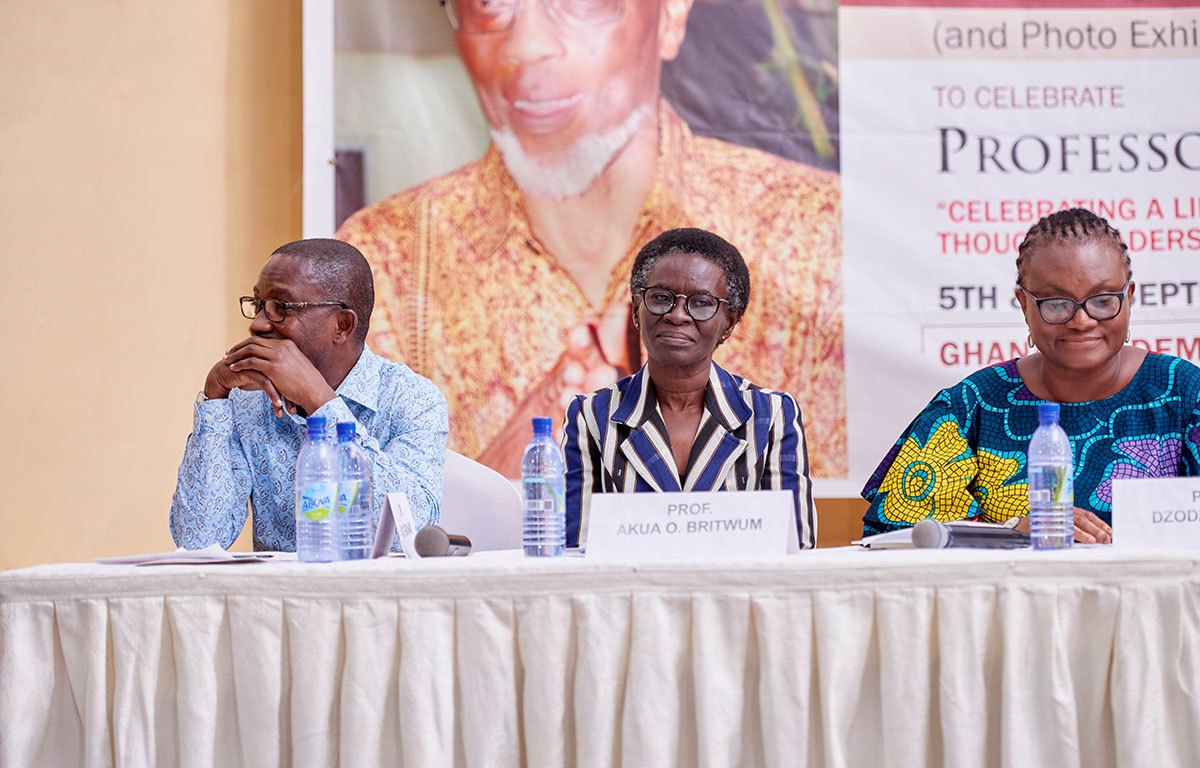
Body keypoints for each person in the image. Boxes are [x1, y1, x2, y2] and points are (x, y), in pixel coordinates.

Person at [336, 0, 843, 480]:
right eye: (490, 1)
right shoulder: (384, 256)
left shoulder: (816, 233)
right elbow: (373, 516)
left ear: (670, 14)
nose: (526, 45)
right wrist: (505, 479)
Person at [861, 208, 1200, 543]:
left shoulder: (1185, 394)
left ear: (1129, 298)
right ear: (1024, 305)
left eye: (1102, 300)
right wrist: (1010, 532)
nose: (1081, 321)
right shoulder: (972, 406)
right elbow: (895, 535)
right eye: (1056, 304)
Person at [170, 239, 449, 551]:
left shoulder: (412, 399)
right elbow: (197, 542)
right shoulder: (248, 400)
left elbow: (407, 532)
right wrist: (215, 397)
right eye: (258, 304)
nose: (257, 324)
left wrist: (319, 401)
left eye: (280, 307)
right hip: (280, 585)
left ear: (342, 325)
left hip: (370, 583)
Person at [563, 228, 816, 549]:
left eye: (701, 303)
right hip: (631, 584)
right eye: (661, 297)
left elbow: (793, 549)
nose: (677, 315)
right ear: (637, 309)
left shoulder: (770, 415)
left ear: (729, 323)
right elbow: (576, 550)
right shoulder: (592, 415)